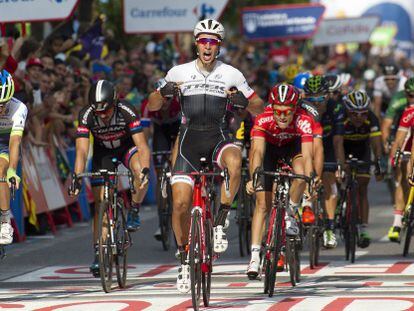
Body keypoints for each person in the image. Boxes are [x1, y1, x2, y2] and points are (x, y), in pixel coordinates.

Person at [147, 18, 264, 293]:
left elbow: (259, 106)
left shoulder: (232, 74)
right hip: (188, 141)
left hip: (219, 137)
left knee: (235, 162)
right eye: (203, 41)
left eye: (213, 42)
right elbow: (152, 105)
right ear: (196, 45)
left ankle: (221, 221)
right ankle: (183, 260)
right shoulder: (178, 71)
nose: (208, 46)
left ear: (219, 46)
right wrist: (162, 94)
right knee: (179, 205)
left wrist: (244, 103)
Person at [68, 79, 150, 276]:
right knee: (100, 204)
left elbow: (142, 145)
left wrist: (145, 170)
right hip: (102, 154)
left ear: (114, 103)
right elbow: (81, 150)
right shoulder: (86, 115)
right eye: (98, 112)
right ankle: (99, 253)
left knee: (138, 169)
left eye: (106, 111)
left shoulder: (127, 111)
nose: (102, 115)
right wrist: (77, 176)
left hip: (126, 148)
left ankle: (134, 210)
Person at [246, 83, 320, 279]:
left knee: (301, 173)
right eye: (278, 111)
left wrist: (310, 178)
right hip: (269, 151)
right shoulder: (263, 119)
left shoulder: (304, 121)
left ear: (295, 110)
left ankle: (290, 212)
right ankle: (254, 257)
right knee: (262, 205)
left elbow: (307, 155)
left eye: (287, 112)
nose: (282, 116)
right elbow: (257, 152)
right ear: (272, 108)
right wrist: (254, 176)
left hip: (292, 149)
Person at [302, 74, 345, 249]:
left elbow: (338, 141)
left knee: (329, 179)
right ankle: (305, 206)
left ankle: (329, 228)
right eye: (312, 98)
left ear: (328, 95)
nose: (317, 102)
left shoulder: (336, 108)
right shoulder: (302, 109)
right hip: (305, 145)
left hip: (328, 146)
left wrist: (340, 165)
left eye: (320, 98)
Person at [342, 89, 383, 247]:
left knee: (362, 189)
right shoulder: (341, 119)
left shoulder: (372, 119)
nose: (359, 118)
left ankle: (364, 228)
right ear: (347, 111)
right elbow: (336, 143)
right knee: (338, 177)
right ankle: (340, 202)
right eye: (354, 114)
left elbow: (376, 143)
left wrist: (379, 163)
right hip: (343, 149)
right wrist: (340, 163)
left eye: (363, 114)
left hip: (362, 151)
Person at [0, 70, 28, 244]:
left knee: (0, 168)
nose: (0, 109)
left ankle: (4, 221)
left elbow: (15, 141)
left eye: (3, 104)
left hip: (4, 144)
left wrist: (11, 170)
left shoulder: (19, 108)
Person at [388, 77, 414, 242]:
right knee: (402, 178)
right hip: (408, 146)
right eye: (411, 95)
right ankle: (397, 222)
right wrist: (395, 157)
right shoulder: (408, 112)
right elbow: (399, 139)